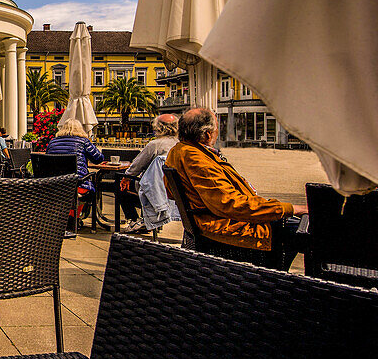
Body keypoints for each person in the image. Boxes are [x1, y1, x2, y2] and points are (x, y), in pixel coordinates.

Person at [165, 108, 306, 266]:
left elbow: (171, 193)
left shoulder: (179, 151)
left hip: (213, 222)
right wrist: (290, 208)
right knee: (300, 231)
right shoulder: (197, 160)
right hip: (225, 228)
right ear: (207, 134)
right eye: (217, 128)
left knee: (295, 226)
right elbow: (232, 204)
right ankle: (277, 281)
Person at [120, 114, 179, 233]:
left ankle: (134, 219)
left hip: (154, 189)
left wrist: (126, 177)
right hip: (174, 190)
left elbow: (137, 166)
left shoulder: (155, 145)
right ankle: (147, 220)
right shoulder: (181, 145)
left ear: (158, 127)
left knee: (121, 186)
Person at [46, 118, 105, 219]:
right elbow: (98, 159)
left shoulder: (52, 142)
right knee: (88, 184)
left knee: (68, 191)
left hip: (55, 185)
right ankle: (74, 218)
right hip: (77, 186)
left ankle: (66, 219)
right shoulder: (83, 142)